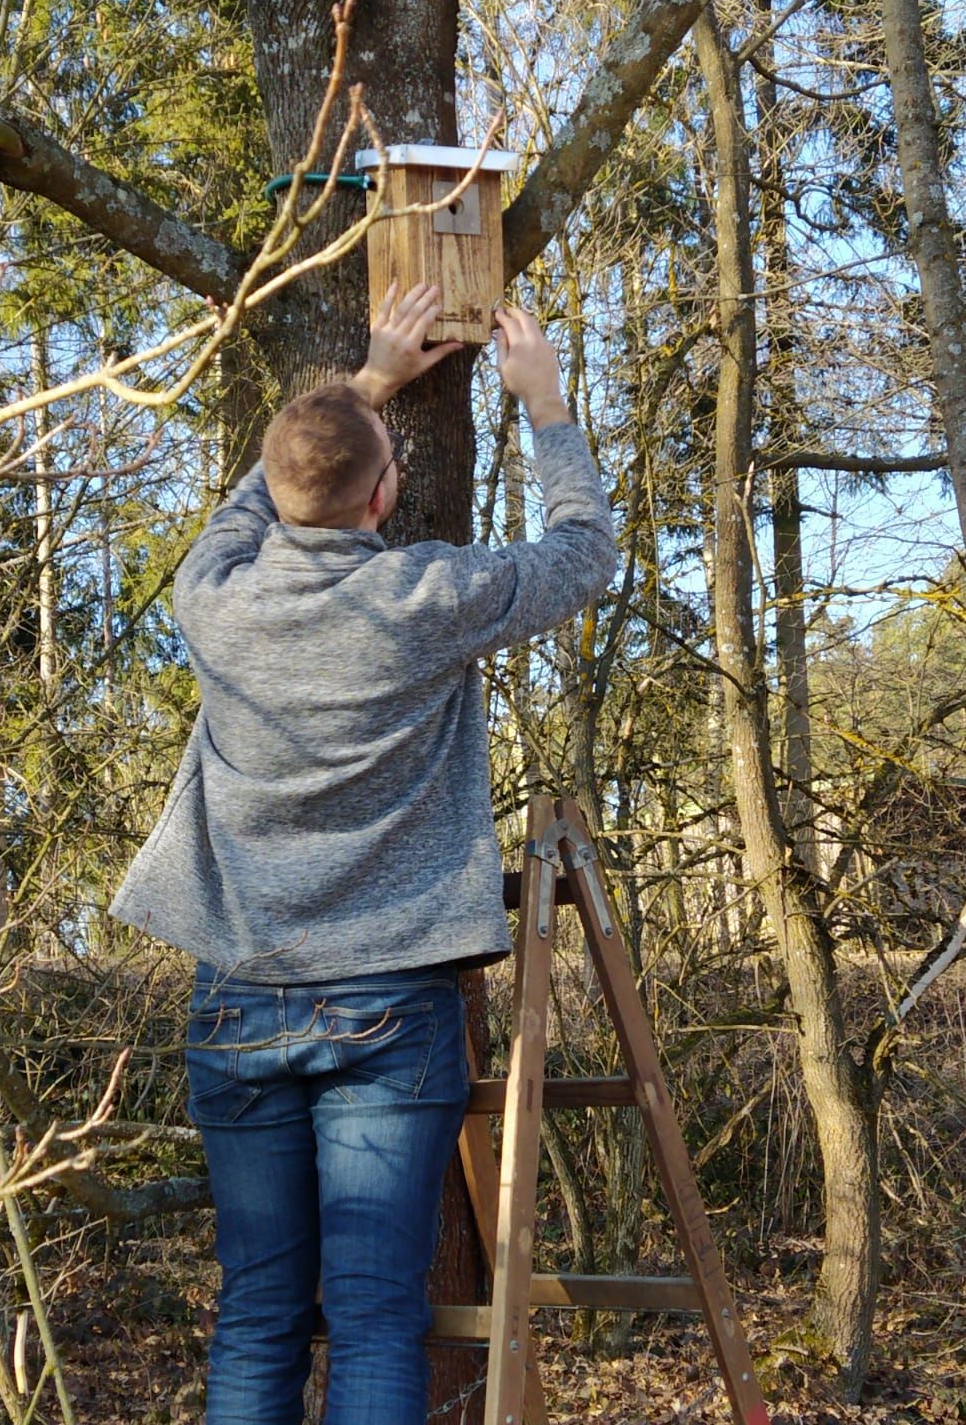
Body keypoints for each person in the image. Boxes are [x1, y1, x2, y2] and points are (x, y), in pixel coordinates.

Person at [109, 283, 617, 1425]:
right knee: (379, 1312)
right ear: (389, 493)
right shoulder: (423, 595)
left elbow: (259, 496)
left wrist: (365, 383)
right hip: (389, 1001)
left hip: (239, 996)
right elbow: (583, 555)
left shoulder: (214, 597)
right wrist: (545, 409)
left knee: (258, 1310)